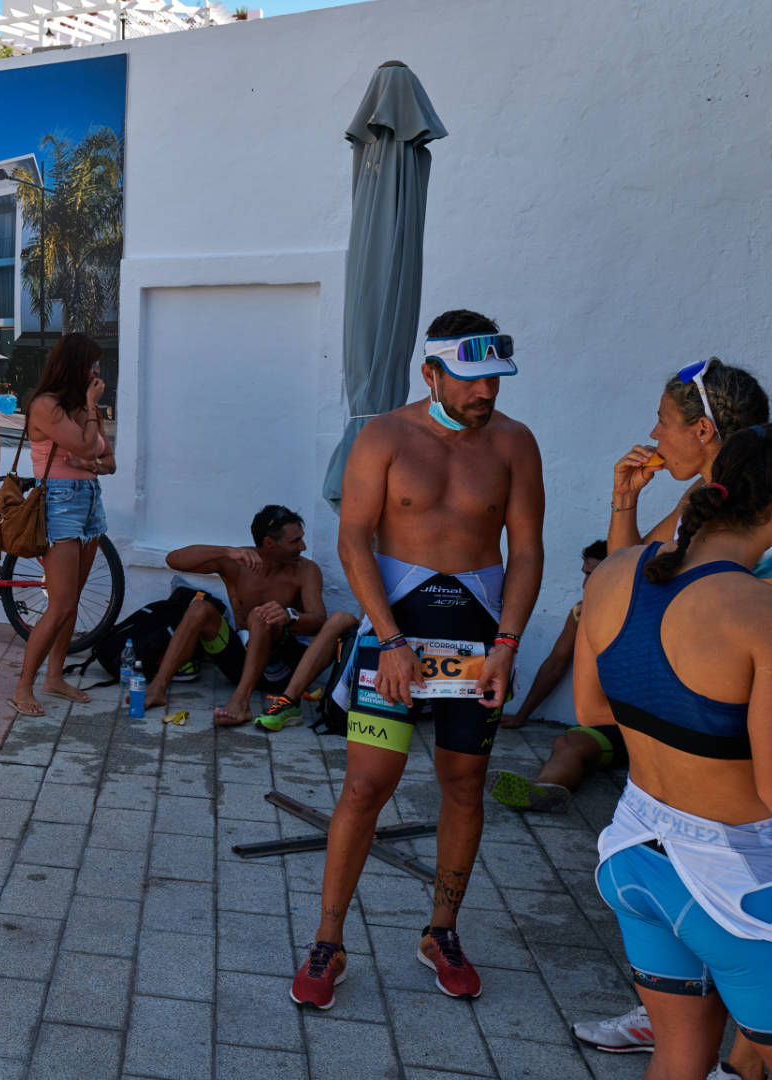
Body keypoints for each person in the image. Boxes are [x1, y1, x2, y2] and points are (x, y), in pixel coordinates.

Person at [292, 310, 544, 1009]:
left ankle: (442, 930)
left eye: (493, 380)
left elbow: (525, 549)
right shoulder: (385, 436)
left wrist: (508, 646)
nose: (484, 394)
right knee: (366, 786)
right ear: (429, 372)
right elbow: (352, 541)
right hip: (393, 640)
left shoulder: (515, 444)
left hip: (477, 645)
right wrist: (390, 641)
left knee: (465, 785)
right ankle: (328, 939)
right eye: (469, 380)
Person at [573, 426, 772, 1080]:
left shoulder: (615, 570)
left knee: (678, 1059)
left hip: (635, 853)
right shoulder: (757, 610)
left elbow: (592, 712)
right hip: (734, 882)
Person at [140, 505, 331, 726]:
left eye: (301, 539)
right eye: (295, 542)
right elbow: (173, 560)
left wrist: (290, 616)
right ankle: (157, 689)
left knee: (259, 616)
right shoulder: (239, 561)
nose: (303, 546)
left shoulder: (306, 571)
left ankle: (241, 702)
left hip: (281, 670)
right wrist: (226, 551)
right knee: (199, 608)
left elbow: (320, 622)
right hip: (239, 665)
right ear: (269, 544)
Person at [9, 333, 114, 717]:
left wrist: (93, 452)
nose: (97, 371)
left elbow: (107, 456)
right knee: (61, 603)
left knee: (75, 598)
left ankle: (54, 677)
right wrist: (90, 407)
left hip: (89, 502)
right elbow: (88, 448)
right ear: (74, 365)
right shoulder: (46, 406)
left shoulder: (79, 408)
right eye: (91, 364)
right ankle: (24, 687)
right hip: (60, 502)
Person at [482, 542, 612, 813]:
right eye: (585, 573)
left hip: (647, 729)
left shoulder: (645, 613)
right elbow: (555, 664)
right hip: (607, 726)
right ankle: (541, 791)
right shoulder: (581, 612)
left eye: (595, 575)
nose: (586, 583)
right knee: (569, 743)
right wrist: (521, 715)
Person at [610, 358, 767, 552]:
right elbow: (624, 571)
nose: (654, 434)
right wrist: (625, 495)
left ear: (703, 430)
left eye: (663, 422)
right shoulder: (706, 488)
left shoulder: (759, 510)